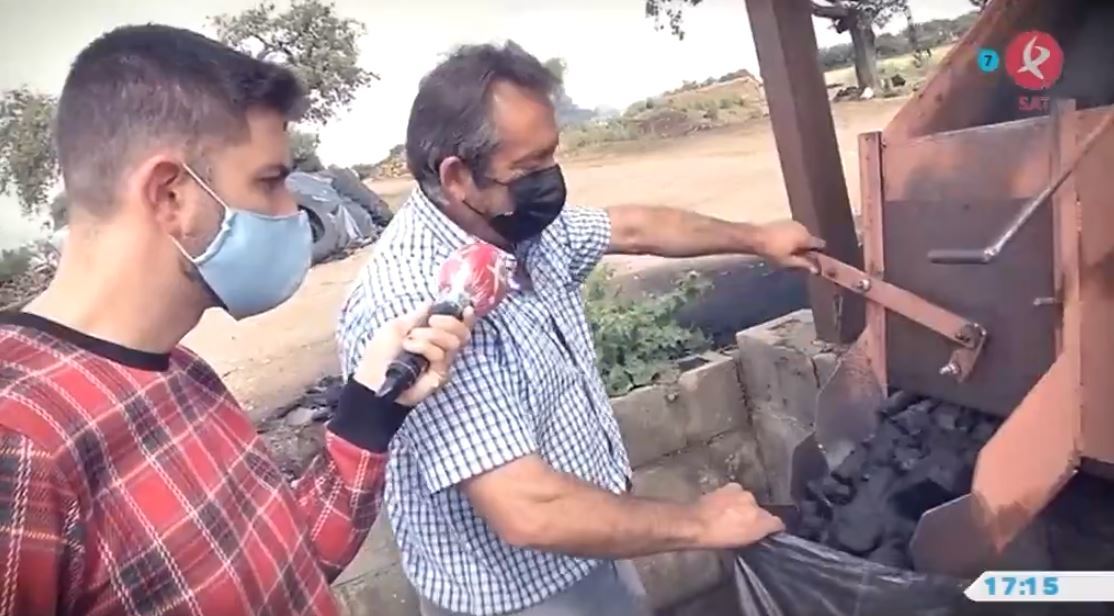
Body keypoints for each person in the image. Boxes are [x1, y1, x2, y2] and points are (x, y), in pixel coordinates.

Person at [336, 41, 825, 616]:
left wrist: (758, 238)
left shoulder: (517, 227)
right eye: (530, 166)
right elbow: (528, 510)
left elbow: (637, 227)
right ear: (457, 175)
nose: (551, 181)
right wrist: (700, 522)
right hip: (515, 597)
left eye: (552, 157)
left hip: (592, 546)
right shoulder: (418, 309)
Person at [0, 25, 474, 616]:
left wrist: (371, 409)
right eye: (271, 181)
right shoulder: (21, 438)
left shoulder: (183, 371)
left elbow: (278, 571)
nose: (294, 209)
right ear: (170, 195)